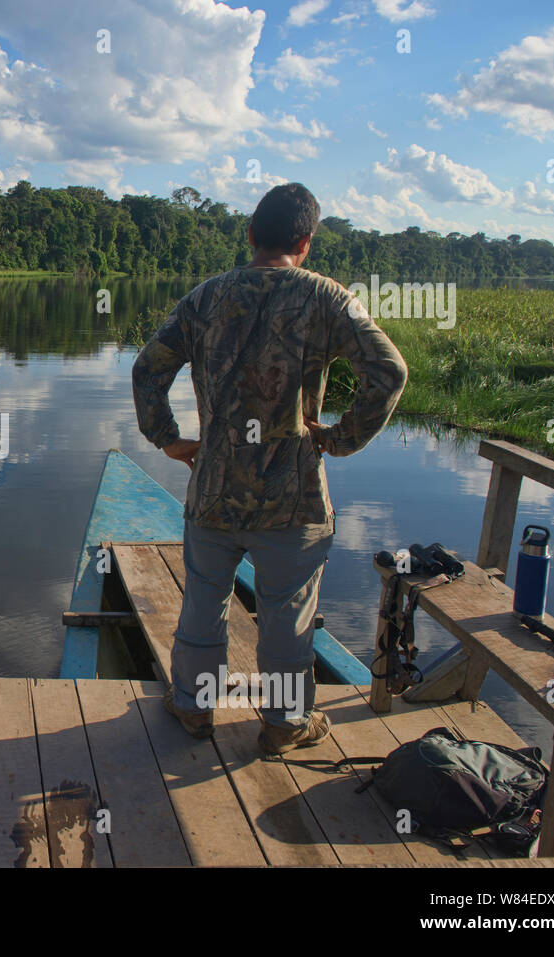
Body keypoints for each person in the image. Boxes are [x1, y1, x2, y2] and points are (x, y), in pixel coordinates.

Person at [131, 182, 408, 755]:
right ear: (304, 241)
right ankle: (284, 723)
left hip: (214, 489)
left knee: (204, 602)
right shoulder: (329, 299)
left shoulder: (206, 297)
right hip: (294, 497)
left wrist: (169, 441)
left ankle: (193, 708)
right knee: (287, 616)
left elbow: (147, 369)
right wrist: (338, 439)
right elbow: (389, 371)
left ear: (251, 234)